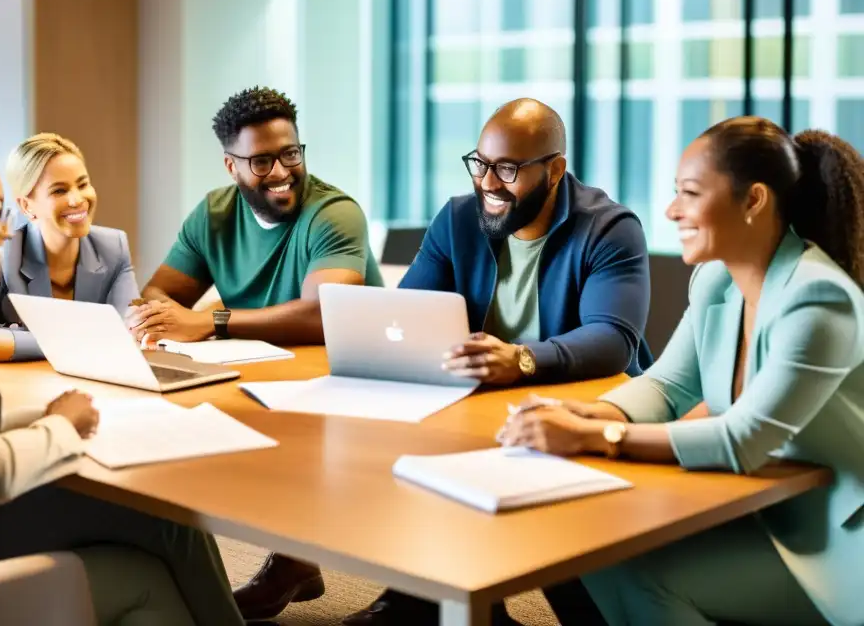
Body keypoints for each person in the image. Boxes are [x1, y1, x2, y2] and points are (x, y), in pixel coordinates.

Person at [0, 104, 243, 626]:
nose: (5, 229)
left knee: (165, 528)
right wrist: (62, 423)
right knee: (157, 556)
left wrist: (41, 417)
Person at [500, 117, 864, 626]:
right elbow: (668, 385)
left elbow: (743, 440)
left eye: (690, 194)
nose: (671, 211)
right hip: (756, 504)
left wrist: (592, 435)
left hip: (835, 546)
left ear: (754, 200)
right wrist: (579, 411)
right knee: (586, 547)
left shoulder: (819, 299)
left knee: (647, 573)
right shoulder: (717, 280)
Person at [344, 98, 653, 626]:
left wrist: (525, 360)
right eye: (480, 163)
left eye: (508, 169)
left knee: (549, 526)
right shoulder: (459, 218)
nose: (488, 182)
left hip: (580, 402)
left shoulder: (609, 228)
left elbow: (613, 339)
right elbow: (409, 310)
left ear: (555, 169)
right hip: (486, 397)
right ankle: (428, 596)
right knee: (408, 449)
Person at [128, 86, 384, 621]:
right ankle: (290, 563)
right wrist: (164, 319)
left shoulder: (333, 213)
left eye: (291, 153)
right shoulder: (214, 215)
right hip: (261, 370)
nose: (283, 170)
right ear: (231, 165)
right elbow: (159, 296)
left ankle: (292, 562)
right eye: (262, 160)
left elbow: (323, 312)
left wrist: (212, 319)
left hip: (352, 372)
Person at [0, 133, 139, 361]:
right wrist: (86, 338)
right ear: (27, 206)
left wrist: (17, 337)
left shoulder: (113, 247)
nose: (77, 199)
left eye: (82, 184)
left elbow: (129, 330)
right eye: (59, 190)